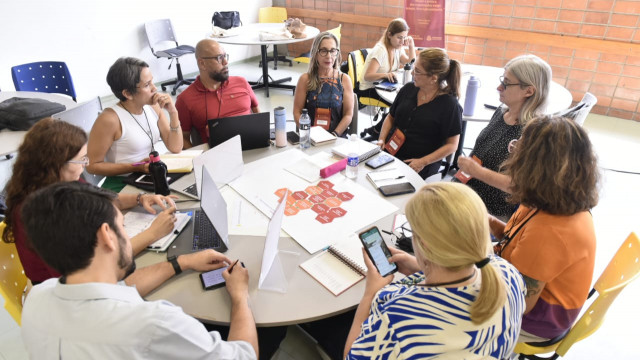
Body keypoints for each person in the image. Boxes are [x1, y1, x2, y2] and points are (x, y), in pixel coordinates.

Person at [20, 182, 257, 359]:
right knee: (269, 334)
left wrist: (182, 262)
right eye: (123, 226)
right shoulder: (154, 323)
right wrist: (239, 297)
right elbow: (244, 356)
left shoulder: (36, 298)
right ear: (106, 235)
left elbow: (117, 289)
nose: (127, 234)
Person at [344, 182, 526, 359]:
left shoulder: (397, 318)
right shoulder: (507, 272)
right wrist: (421, 266)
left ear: (424, 245)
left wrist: (370, 294)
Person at [2, 118, 179, 284]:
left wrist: (140, 198)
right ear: (56, 164)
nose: (85, 164)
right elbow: (100, 264)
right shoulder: (40, 211)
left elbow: (104, 198)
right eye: (81, 159)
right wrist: (153, 233)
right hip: (68, 289)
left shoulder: (63, 180)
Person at [491, 115, 599, 342]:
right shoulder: (553, 200)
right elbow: (516, 241)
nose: (514, 152)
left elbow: (519, 303)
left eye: (520, 148)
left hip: (534, 321)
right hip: (525, 289)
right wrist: (483, 220)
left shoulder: (550, 231)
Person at [456, 54, 551, 219]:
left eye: (506, 83)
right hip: (468, 191)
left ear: (529, 91)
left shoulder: (534, 132)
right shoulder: (502, 112)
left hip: (492, 210)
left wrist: (477, 171)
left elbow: (518, 186)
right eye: (502, 80)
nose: (499, 87)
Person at [86, 57, 183, 183]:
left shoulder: (153, 107)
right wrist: (136, 167)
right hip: (122, 182)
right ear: (127, 94)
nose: (154, 88)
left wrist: (173, 113)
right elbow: (92, 166)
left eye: (152, 81)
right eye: (147, 85)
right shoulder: (109, 119)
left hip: (148, 176)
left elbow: (175, 147)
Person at [377, 48, 462, 179]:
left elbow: (452, 145)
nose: (412, 72)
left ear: (433, 78)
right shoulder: (408, 89)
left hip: (420, 163)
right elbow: (390, 117)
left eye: (417, 71)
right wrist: (382, 139)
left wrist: (423, 162)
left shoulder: (449, 105)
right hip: (391, 152)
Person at [176, 39, 260, 148]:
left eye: (225, 56)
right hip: (216, 156)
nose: (226, 62)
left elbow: (258, 114)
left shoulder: (242, 82)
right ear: (202, 63)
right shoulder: (185, 99)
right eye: (219, 58)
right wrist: (200, 158)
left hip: (253, 146)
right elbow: (182, 138)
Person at [293, 31, 354, 137]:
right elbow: (297, 112)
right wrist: (308, 134)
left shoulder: (344, 79)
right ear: (315, 53)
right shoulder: (305, 79)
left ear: (337, 53)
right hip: (310, 137)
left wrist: (335, 134)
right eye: (323, 51)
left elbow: (348, 114)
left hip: (336, 137)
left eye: (332, 51)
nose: (328, 56)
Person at [358, 18, 415, 105]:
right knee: (401, 102)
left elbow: (410, 63)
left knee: (405, 97)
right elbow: (367, 76)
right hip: (369, 89)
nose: (402, 42)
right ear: (389, 35)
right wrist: (386, 75)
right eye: (399, 37)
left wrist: (411, 45)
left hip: (384, 86)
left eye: (404, 38)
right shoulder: (380, 50)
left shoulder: (398, 48)